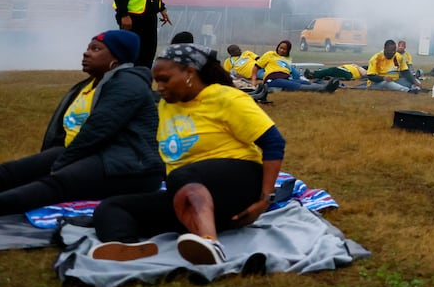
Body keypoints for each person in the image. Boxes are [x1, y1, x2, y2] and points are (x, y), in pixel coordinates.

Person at [89, 43, 287, 265]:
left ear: (190, 73)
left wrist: (265, 200)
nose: (159, 87)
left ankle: (210, 242)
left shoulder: (227, 98)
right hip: (189, 196)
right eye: (156, 80)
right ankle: (127, 248)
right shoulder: (165, 106)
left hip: (239, 184)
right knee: (111, 207)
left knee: (181, 176)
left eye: (165, 79)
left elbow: (273, 143)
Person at [0, 30, 164, 216]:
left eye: (96, 49)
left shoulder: (128, 84)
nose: (86, 53)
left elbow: (98, 130)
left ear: (116, 60)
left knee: (54, 184)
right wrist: (59, 158)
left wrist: (61, 163)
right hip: (98, 153)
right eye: (88, 48)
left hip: (132, 167)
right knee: (13, 171)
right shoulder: (93, 84)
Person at [252, 40, 338, 94]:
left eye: (284, 49)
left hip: (286, 78)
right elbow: (256, 67)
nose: (281, 50)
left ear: (287, 51)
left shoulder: (287, 60)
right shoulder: (269, 54)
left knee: (304, 83)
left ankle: (327, 86)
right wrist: (253, 81)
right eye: (280, 47)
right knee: (296, 85)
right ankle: (324, 89)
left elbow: (291, 71)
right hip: (273, 79)